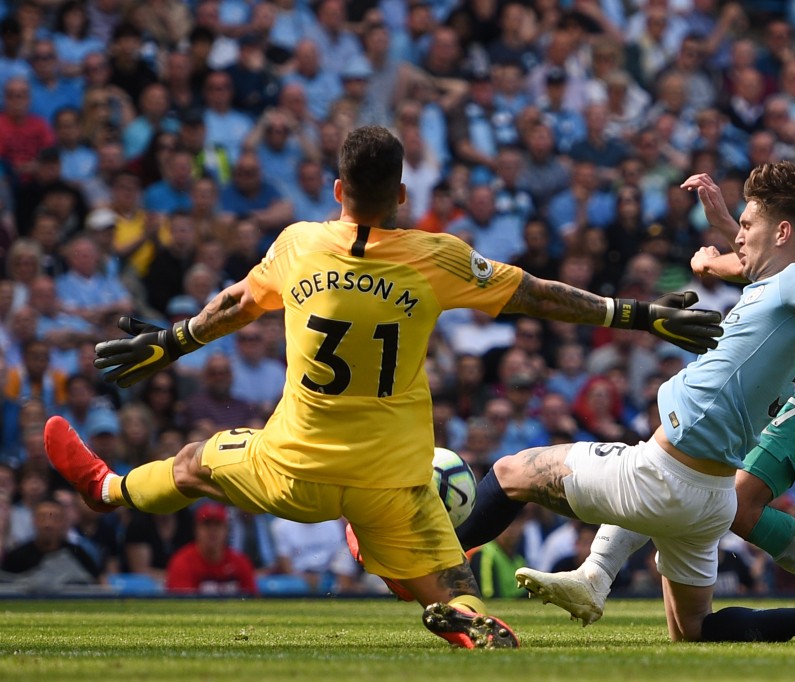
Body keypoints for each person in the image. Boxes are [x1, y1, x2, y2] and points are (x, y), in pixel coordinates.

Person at [43, 125, 723, 650]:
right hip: (394, 483)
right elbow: (538, 296)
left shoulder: (298, 245)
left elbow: (233, 307)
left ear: (338, 189)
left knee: (192, 463)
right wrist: (636, 314)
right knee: (455, 585)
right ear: (403, 194)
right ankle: (462, 616)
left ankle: (107, 491)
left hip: (293, 469)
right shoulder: (438, 258)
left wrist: (170, 341)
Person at [486, 100, 795, 625]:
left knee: (737, 505)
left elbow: (776, 268)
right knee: (679, 464)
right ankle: (596, 575)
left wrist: (712, 260)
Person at [165, 502, 257, 595]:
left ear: (227, 530)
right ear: (196, 529)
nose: (212, 530)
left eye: (218, 524)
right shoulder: (182, 562)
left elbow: (253, 601)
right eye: (207, 524)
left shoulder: (240, 562)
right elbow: (181, 605)